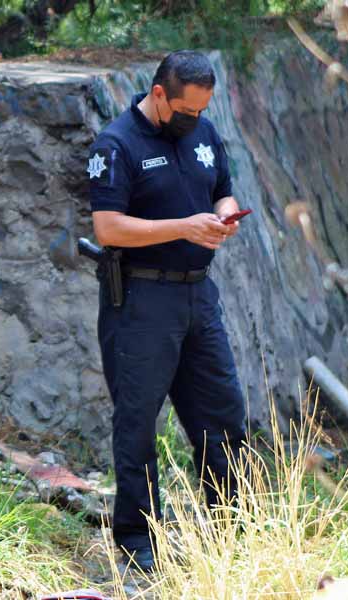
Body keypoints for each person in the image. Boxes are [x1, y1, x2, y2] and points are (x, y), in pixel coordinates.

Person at [87, 50, 247, 572]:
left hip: (199, 296)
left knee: (222, 415)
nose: (194, 120)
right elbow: (108, 227)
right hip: (141, 300)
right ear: (159, 95)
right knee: (137, 424)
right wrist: (183, 226)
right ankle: (138, 543)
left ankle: (233, 532)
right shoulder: (117, 144)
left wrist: (225, 215)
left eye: (202, 111)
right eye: (186, 111)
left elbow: (221, 190)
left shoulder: (202, 133)